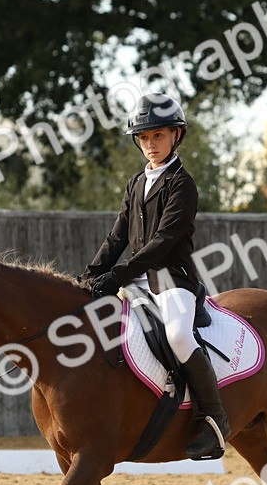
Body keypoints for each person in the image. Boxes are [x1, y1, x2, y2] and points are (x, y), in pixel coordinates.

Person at [80, 93, 230, 459]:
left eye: (158, 135)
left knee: (178, 335)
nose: (150, 144)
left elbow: (162, 242)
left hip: (172, 279)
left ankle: (214, 419)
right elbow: (117, 236)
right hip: (138, 279)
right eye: (144, 137)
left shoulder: (182, 184)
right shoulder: (136, 183)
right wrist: (91, 275)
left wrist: (117, 275)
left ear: (177, 135)